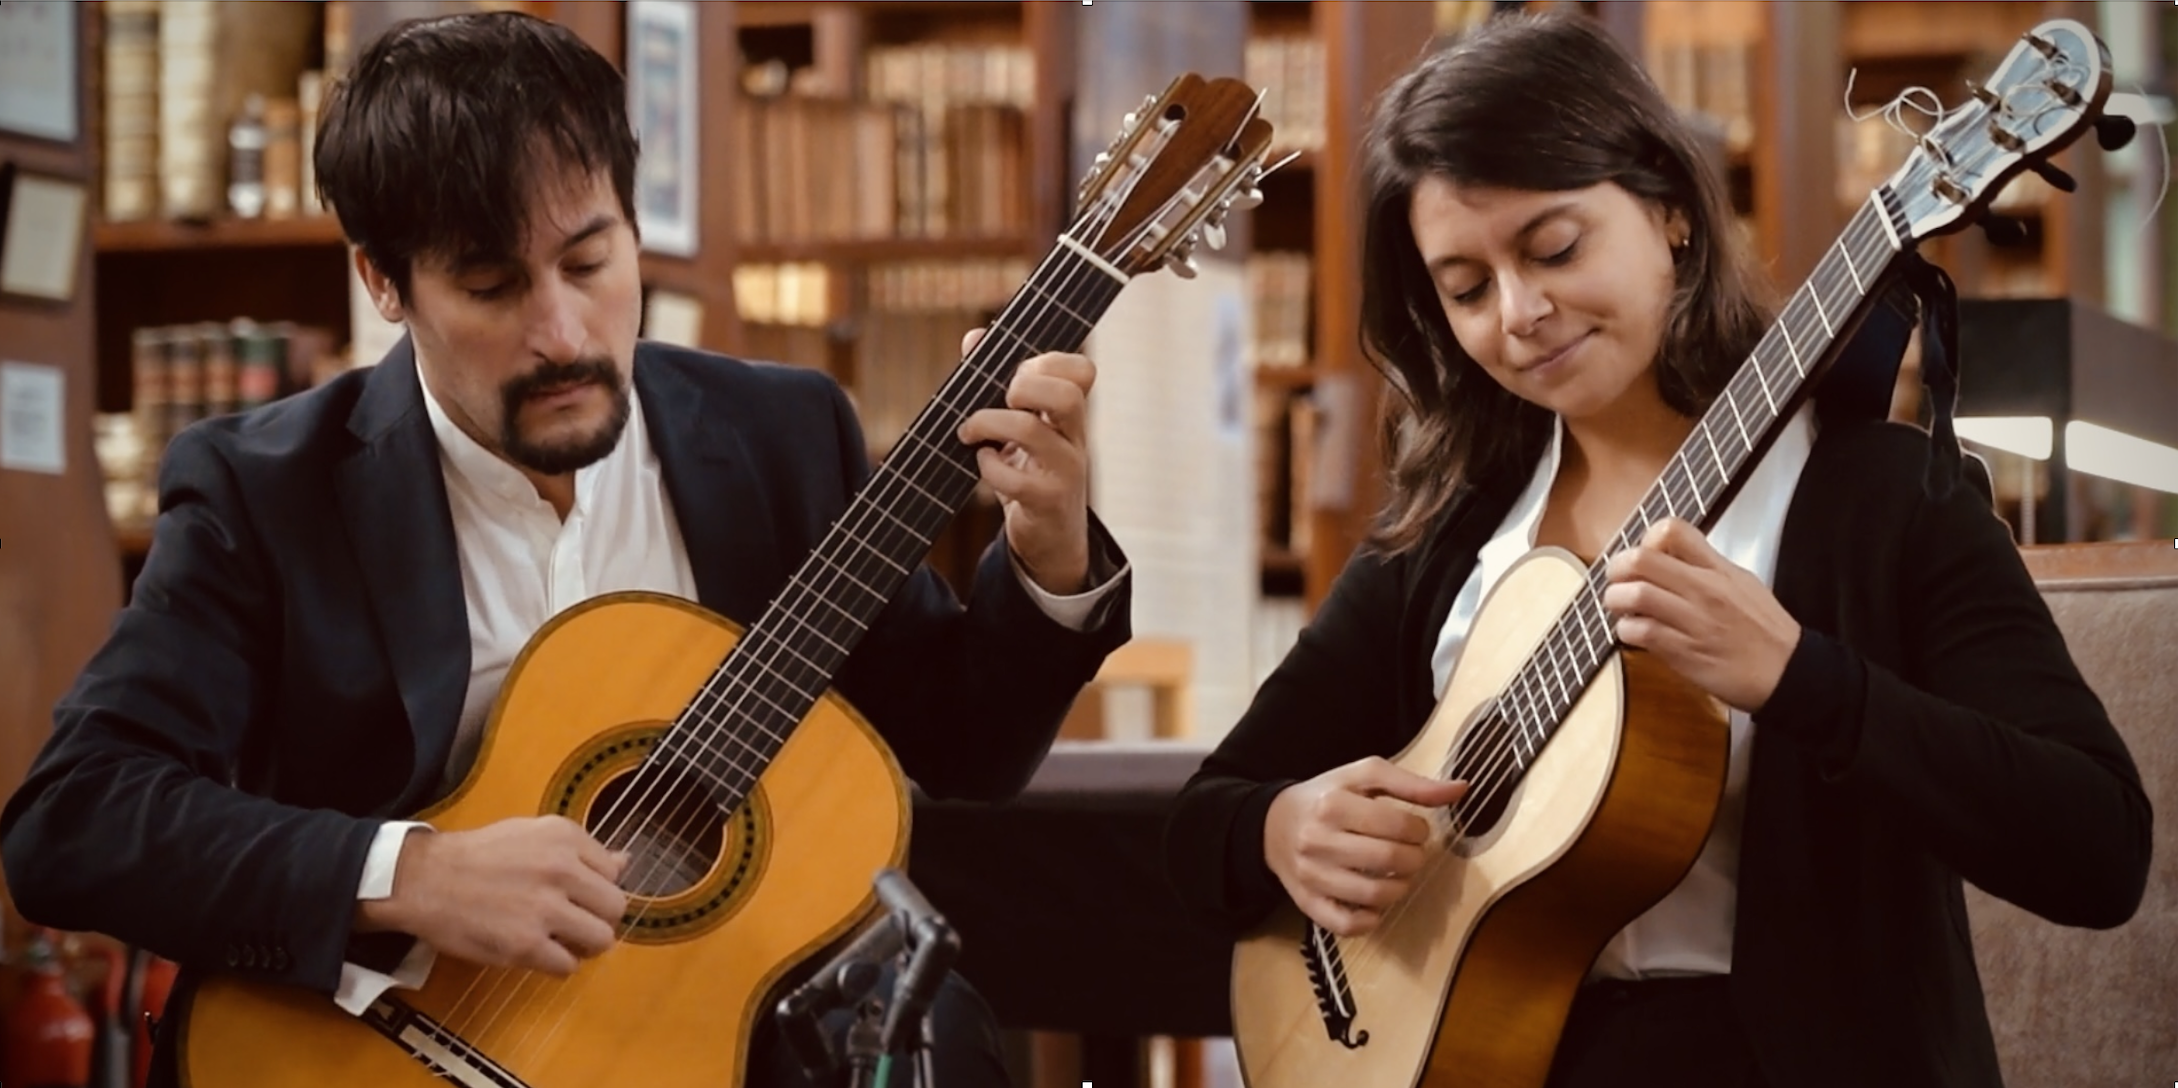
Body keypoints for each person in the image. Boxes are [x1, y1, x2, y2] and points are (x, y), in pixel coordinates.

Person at [0, 11, 1131, 1088]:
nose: (561, 333)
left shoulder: (780, 434)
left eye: (589, 263)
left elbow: (958, 748)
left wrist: (1048, 551)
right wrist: (411, 871)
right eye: (492, 285)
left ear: (635, 230)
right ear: (384, 283)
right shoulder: (267, 489)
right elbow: (76, 818)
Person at [1162, 11, 2150, 1088]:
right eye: (1466, 288)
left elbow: (2097, 845)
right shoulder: (1450, 532)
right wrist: (1280, 827)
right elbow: (1198, 824)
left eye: (1555, 247)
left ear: (1672, 213)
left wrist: (1799, 675)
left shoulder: (1882, 499)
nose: (1521, 312)